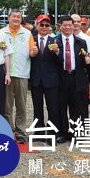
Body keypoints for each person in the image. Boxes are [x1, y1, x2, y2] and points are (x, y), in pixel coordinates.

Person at [55, 15, 90, 141]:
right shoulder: (54, 41)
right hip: (61, 77)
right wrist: (56, 53)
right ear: (60, 26)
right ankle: (63, 133)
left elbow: (85, 60)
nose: (68, 27)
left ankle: (76, 132)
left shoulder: (81, 42)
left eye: (70, 25)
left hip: (76, 77)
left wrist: (87, 60)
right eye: (65, 25)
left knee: (76, 107)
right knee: (61, 106)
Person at [29, 14, 64, 143]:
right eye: (41, 24)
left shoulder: (56, 40)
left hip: (51, 79)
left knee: (52, 108)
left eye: (47, 25)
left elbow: (62, 61)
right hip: (36, 79)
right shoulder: (31, 39)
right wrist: (31, 54)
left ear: (50, 27)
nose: (44, 27)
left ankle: (52, 133)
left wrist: (57, 52)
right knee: (37, 107)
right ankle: (38, 132)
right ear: (36, 25)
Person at [1, 9, 34, 143]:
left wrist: (34, 52)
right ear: (8, 18)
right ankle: (8, 131)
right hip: (6, 74)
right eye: (13, 16)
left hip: (22, 73)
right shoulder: (2, 33)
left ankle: (20, 132)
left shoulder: (27, 33)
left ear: (21, 19)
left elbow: (32, 52)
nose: (16, 19)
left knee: (21, 106)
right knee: (7, 106)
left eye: (18, 17)